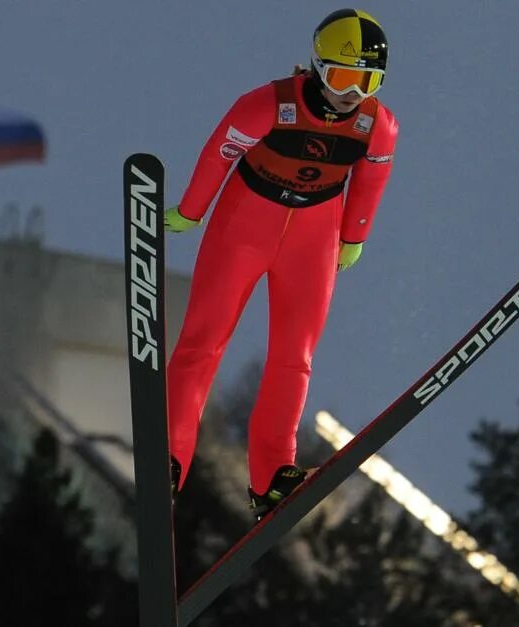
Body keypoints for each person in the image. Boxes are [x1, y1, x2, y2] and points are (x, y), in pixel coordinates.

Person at [164, 8, 399, 521]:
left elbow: (372, 181)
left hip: (314, 236)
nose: (351, 93)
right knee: (204, 340)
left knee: (295, 357)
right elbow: (219, 153)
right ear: (318, 67)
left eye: (366, 82)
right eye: (342, 77)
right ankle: (171, 456)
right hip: (246, 222)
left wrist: (354, 237)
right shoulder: (267, 105)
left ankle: (271, 477)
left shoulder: (377, 126)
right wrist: (192, 210)